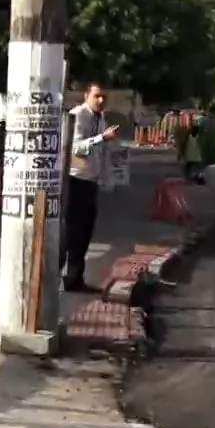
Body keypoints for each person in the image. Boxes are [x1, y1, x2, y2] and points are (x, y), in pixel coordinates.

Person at [62, 84, 119, 293]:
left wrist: (107, 178)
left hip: (91, 181)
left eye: (104, 97)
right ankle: (62, 278)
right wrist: (102, 137)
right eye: (97, 96)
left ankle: (75, 278)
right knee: (72, 232)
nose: (101, 101)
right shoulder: (78, 116)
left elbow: (102, 152)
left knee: (85, 232)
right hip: (75, 180)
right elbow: (75, 147)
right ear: (87, 96)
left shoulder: (100, 118)